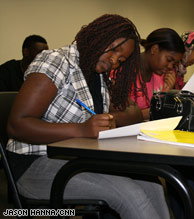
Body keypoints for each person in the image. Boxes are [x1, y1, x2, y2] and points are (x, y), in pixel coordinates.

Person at [6, 14, 171, 219]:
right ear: (97, 36)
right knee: (130, 194)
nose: (114, 61)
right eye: (114, 49)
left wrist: (110, 119)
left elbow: (133, 112)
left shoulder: (98, 75)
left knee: (151, 184)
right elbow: (16, 125)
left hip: (76, 160)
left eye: (121, 59)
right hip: (33, 164)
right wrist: (81, 129)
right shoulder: (56, 61)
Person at [130, 28, 194, 219]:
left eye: (174, 63)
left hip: (155, 136)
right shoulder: (128, 73)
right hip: (133, 141)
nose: (170, 66)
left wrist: (168, 92)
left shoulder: (161, 75)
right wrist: (162, 104)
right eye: (169, 60)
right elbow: (127, 116)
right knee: (191, 169)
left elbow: (157, 113)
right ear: (154, 49)